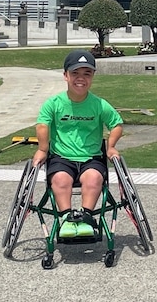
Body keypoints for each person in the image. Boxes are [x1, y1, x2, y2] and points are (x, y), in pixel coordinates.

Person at [32, 49, 124, 239]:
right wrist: (42, 149)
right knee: (60, 180)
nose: (80, 79)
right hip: (61, 157)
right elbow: (42, 124)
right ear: (65, 75)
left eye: (86, 74)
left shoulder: (99, 104)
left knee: (94, 179)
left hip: (91, 157)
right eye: (75, 73)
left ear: (92, 77)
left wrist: (112, 145)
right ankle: (67, 219)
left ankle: (85, 218)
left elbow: (116, 125)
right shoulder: (54, 103)